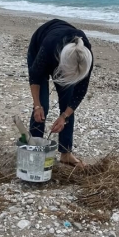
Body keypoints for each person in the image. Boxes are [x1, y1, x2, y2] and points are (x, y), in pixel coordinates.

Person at [27, 19, 94, 168]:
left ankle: (66, 153)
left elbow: (80, 91)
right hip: (40, 46)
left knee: (67, 104)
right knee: (43, 104)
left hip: (65, 57)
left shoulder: (85, 56)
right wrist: (37, 105)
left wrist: (64, 117)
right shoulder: (48, 46)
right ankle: (34, 148)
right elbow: (35, 76)